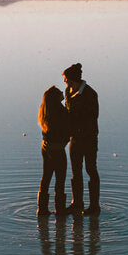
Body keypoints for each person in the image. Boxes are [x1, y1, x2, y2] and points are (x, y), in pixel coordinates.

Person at [63, 62, 100, 215]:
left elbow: (91, 117)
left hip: (89, 138)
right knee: (75, 171)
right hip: (75, 138)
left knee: (91, 169)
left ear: (73, 79)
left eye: (66, 79)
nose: (65, 82)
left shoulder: (90, 94)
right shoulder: (68, 92)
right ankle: (77, 203)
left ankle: (94, 206)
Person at [36, 85, 71, 217]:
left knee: (46, 177)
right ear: (56, 97)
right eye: (60, 92)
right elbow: (67, 128)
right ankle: (60, 210)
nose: (63, 93)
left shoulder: (44, 110)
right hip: (57, 149)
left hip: (46, 147)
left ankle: (42, 209)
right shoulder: (60, 111)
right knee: (60, 179)